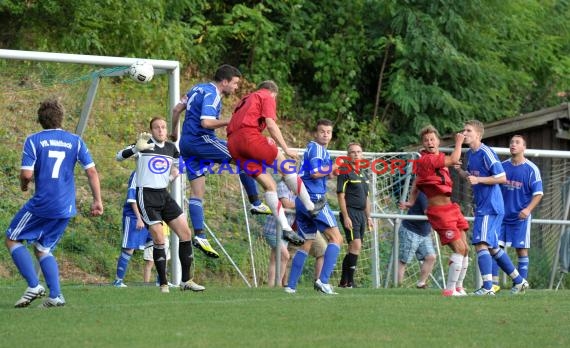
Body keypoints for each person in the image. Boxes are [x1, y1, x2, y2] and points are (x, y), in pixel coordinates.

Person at [5, 98, 103, 308]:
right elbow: (92, 171)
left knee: (12, 238)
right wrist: (97, 200)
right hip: (66, 207)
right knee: (43, 247)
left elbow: (26, 174)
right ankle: (56, 296)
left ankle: (33, 285)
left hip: (43, 203)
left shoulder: (34, 140)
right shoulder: (75, 140)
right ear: (61, 118)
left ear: (40, 120)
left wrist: (23, 186)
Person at [171, 64, 271, 259]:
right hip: (201, 139)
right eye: (234, 84)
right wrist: (231, 122)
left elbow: (176, 109)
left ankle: (200, 235)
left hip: (186, 143)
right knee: (243, 156)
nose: (235, 88)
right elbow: (206, 123)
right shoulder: (213, 93)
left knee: (197, 192)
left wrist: (175, 131)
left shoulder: (196, 88)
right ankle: (255, 202)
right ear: (224, 82)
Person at [226, 80, 326, 247]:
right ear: (273, 93)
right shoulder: (266, 95)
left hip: (233, 145)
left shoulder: (245, 99)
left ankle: (286, 228)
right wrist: (286, 148)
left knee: (270, 186)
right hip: (248, 138)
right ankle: (310, 206)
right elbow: (271, 124)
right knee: (284, 164)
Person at [116, 116, 204, 293]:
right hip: (146, 195)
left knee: (186, 233)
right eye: (157, 128)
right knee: (158, 238)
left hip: (163, 194)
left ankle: (186, 281)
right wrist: (135, 148)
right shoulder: (144, 145)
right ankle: (163, 283)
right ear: (151, 130)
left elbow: (181, 166)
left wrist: (172, 176)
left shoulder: (172, 148)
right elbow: (118, 156)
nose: (161, 130)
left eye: (163, 127)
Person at [463, 120, 529, 295]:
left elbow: (501, 177)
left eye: (468, 130)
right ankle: (519, 281)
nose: (465, 133)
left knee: (480, 244)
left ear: (478, 135)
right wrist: (462, 172)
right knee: (493, 247)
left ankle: (487, 288)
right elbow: (473, 177)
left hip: (490, 206)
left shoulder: (486, 152)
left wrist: (479, 180)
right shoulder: (470, 154)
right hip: (486, 205)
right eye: (464, 130)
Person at [406, 125, 470, 297]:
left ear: (438, 141)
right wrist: (459, 143)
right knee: (458, 248)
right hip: (439, 212)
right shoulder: (427, 160)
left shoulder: (435, 159)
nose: (429, 142)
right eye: (426, 140)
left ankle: (459, 287)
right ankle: (449, 289)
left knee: (465, 248)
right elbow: (454, 157)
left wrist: (411, 200)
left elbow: (417, 182)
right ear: (423, 144)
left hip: (452, 208)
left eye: (432, 139)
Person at [285, 119, 344, 295]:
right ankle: (323, 281)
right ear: (315, 133)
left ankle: (291, 286)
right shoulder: (317, 149)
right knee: (337, 239)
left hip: (302, 200)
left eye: (328, 132)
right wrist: (334, 166)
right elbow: (316, 173)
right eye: (322, 131)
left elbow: (319, 174)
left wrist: (331, 173)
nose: (325, 134)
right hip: (314, 200)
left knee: (306, 242)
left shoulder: (314, 149)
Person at [490, 134, 543, 292]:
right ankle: (494, 284)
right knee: (494, 247)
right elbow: (493, 186)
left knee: (521, 250)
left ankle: (519, 285)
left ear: (523, 147)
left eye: (517, 142)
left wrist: (527, 210)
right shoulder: (502, 166)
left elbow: (538, 193)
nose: (513, 144)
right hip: (501, 217)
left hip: (520, 218)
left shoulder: (531, 169)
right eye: (511, 142)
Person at [263, 180, 328, 287]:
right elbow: (286, 204)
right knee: (284, 256)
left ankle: (274, 285)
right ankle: (277, 284)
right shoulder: (282, 186)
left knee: (277, 257)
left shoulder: (300, 188)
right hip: (274, 229)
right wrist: (304, 205)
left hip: (287, 229)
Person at [336, 142, 373, 288]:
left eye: (358, 152)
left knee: (354, 247)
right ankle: (350, 282)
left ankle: (343, 281)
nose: (356, 154)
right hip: (350, 212)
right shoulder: (344, 171)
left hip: (361, 215)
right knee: (355, 244)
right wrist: (346, 216)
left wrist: (368, 216)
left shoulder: (363, 174)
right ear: (347, 155)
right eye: (352, 152)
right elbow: (340, 196)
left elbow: (367, 198)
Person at [112, 171, 153, 288]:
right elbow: (132, 197)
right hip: (134, 216)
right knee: (129, 248)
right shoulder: (138, 173)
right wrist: (139, 218)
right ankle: (118, 280)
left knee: (158, 245)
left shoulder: (154, 173)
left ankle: (161, 280)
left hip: (149, 217)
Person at [397, 191, 437, 288]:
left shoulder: (437, 194)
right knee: (404, 260)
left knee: (431, 257)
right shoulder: (424, 193)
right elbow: (427, 212)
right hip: (410, 230)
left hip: (424, 233)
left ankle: (421, 284)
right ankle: (398, 286)